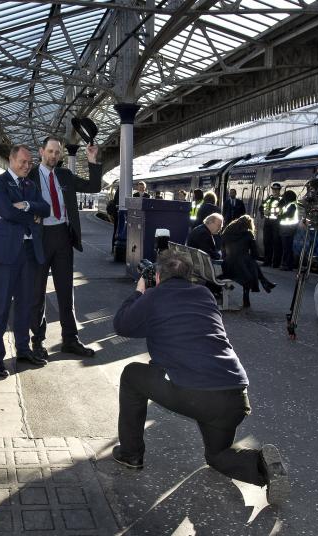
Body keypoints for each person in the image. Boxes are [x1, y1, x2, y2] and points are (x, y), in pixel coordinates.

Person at [111, 251, 290, 505]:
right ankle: (262, 466)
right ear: (189, 275)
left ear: (158, 276)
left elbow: (122, 325)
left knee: (131, 375)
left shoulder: (154, 296)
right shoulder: (204, 295)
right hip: (235, 395)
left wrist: (140, 291)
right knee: (217, 456)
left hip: (197, 394)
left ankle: (131, 454)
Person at [29, 136, 102, 359]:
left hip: (62, 236)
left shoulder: (65, 175)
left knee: (65, 291)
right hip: (39, 239)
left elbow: (94, 186)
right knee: (37, 293)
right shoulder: (29, 176)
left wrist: (92, 160)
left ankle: (70, 340)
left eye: (57, 152)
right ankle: (37, 342)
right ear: (41, 152)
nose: (54, 156)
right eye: (50, 151)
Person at [0, 145, 50, 377]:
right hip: (5, 254)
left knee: (25, 304)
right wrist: (30, 216)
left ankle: (23, 350)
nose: (26, 166)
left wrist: (27, 205)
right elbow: (5, 211)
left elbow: (46, 208)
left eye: (29, 163)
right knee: (1, 306)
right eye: (22, 162)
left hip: (29, 252)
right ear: (11, 160)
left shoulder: (30, 186)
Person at [221, 215, 276, 308]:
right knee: (251, 264)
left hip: (228, 265)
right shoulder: (248, 234)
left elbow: (222, 249)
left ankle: (265, 282)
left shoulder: (227, 232)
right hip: (242, 266)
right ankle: (263, 283)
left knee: (249, 264)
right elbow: (255, 253)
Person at [259, 183, 282, 267]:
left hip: (277, 223)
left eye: (276, 189)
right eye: (273, 189)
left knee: (276, 243)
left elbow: (283, 211)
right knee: (267, 242)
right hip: (267, 222)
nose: (275, 191)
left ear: (279, 190)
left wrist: (278, 214)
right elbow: (261, 207)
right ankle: (267, 261)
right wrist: (262, 212)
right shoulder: (269, 198)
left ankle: (276, 263)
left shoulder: (281, 200)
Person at [278, 190, 299, 270]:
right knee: (287, 248)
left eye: (284, 196)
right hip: (286, 229)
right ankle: (288, 264)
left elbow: (289, 215)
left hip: (289, 229)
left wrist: (280, 216)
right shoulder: (288, 205)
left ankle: (286, 264)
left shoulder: (292, 205)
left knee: (287, 248)